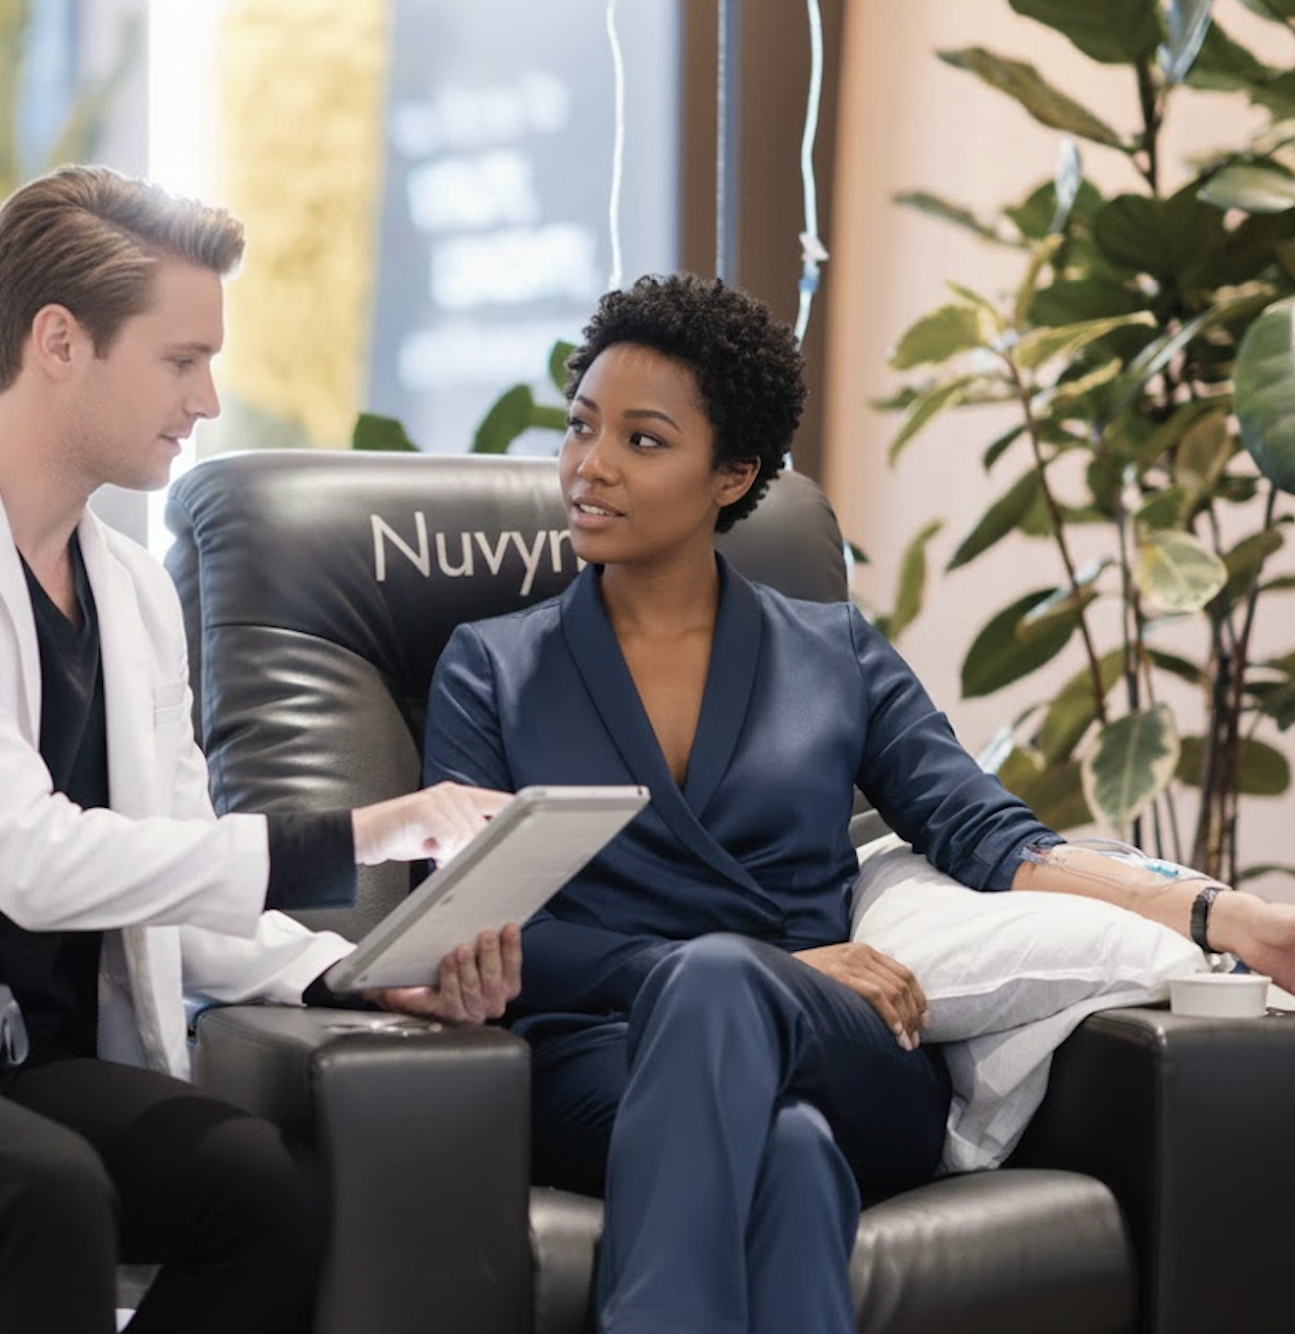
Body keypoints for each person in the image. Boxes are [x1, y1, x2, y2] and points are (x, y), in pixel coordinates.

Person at [0, 164, 521, 1334]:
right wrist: (369, 829)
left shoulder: (131, 589)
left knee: (267, 1195)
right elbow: (33, 856)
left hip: (22, 1054)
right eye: (181, 359)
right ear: (59, 340)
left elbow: (173, 870)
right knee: (51, 1194)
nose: (210, 398)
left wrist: (345, 971)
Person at [420, 272, 1295, 1334]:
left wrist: (1221, 915)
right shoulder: (489, 668)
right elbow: (474, 931)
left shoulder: (831, 650)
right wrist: (750, 963)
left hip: (843, 1048)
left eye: (643, 440)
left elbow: (988, 834)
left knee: (736, 1002)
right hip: (604, 1055)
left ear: (732, 472)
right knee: (784, 1151)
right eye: (579, 426)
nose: (589, 465)